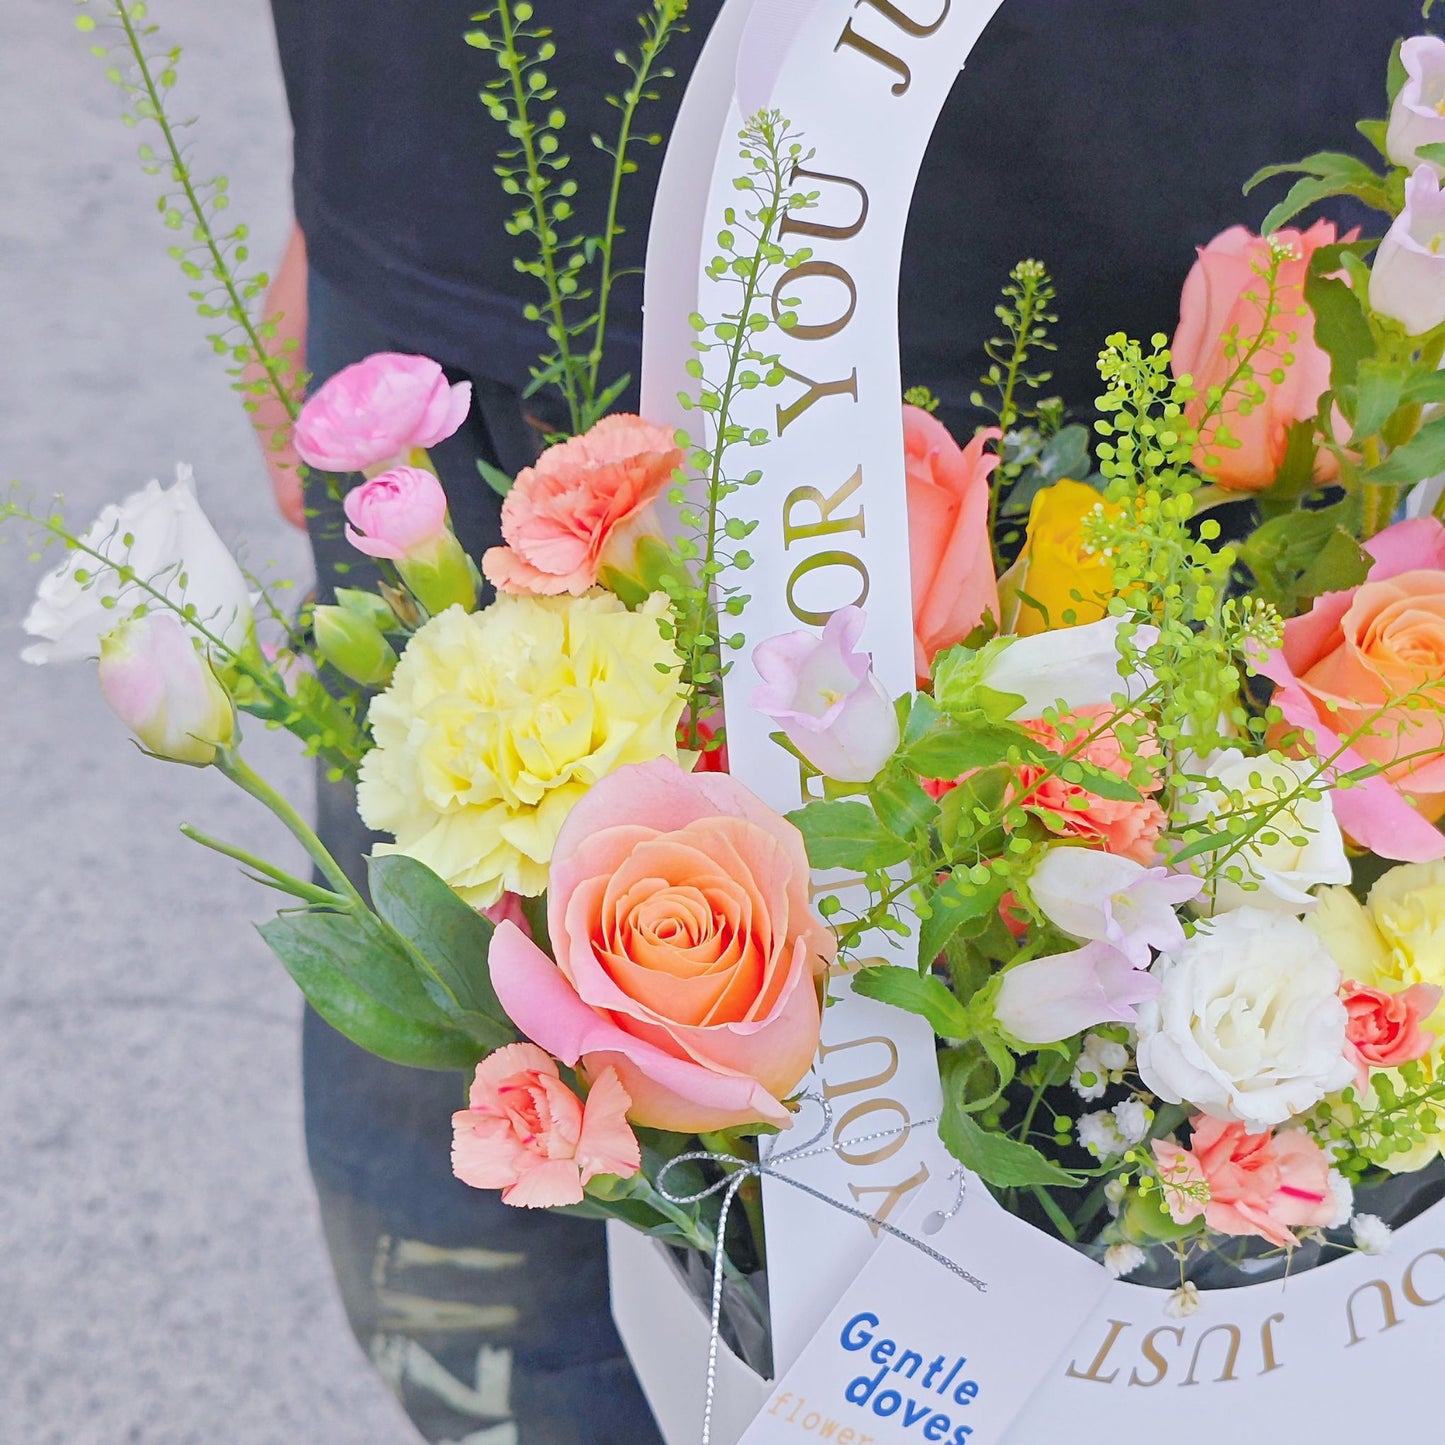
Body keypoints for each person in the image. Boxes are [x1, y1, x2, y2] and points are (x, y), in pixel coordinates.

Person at [258, 2, 1423, 1440]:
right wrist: (347, 202)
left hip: (1197, 271)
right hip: (479, 217)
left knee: (1200, 1299)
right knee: (495, 1252)